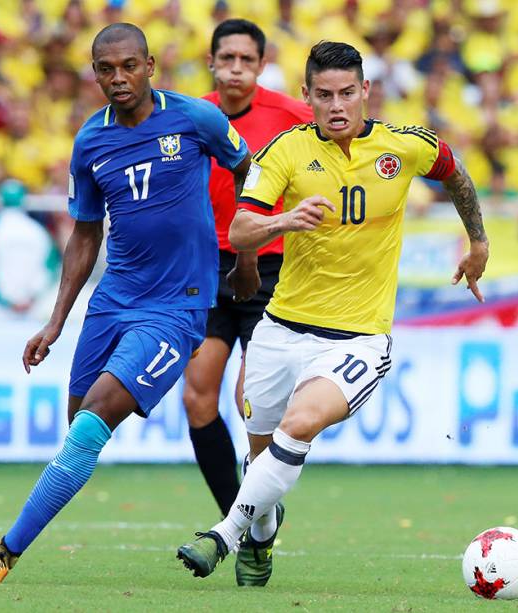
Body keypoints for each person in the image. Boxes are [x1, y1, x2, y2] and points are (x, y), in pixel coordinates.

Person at [176, 41, 489, 583]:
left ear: (366, 91)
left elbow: (457, 175)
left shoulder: (405, 146)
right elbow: (243, 229)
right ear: (307, 96)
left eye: (348, 93)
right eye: (324, 95)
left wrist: (478, 242)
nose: (337, 105)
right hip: (280, 328)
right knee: (260, 452)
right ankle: (260, 535)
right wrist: (285, 220)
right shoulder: (284, 151)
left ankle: (225, 534)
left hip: (357, 339)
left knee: (299, 425)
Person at [0, 23, 251, 584]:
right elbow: (85, 234)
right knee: (77, 428)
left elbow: (251, 176)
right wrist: (56, 321)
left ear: (149, 66)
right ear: (94, 73)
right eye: (105, 69)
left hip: (177, 306)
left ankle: (5, 553)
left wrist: (242, 255)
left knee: (92, 421)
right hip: (113, 297)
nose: (118, 78)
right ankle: (257, 517)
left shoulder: (195, 119)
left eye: (128, 66)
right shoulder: (91, 140)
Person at [181, 19, 312, 549]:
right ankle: (243, 518)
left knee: (250, 402)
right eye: (226, 58)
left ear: (261, 65)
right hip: (206, 268)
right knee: (197, 398)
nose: (236, 68)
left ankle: (250, 518)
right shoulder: (192, 117)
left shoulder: (292, 116)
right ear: (211, 62)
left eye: (246, 60)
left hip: (272, 269)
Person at [0, 179, 58, 320]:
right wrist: (32, 298)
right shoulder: (39, 231)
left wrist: (6, 301)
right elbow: (50, 268)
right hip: (32, 310)